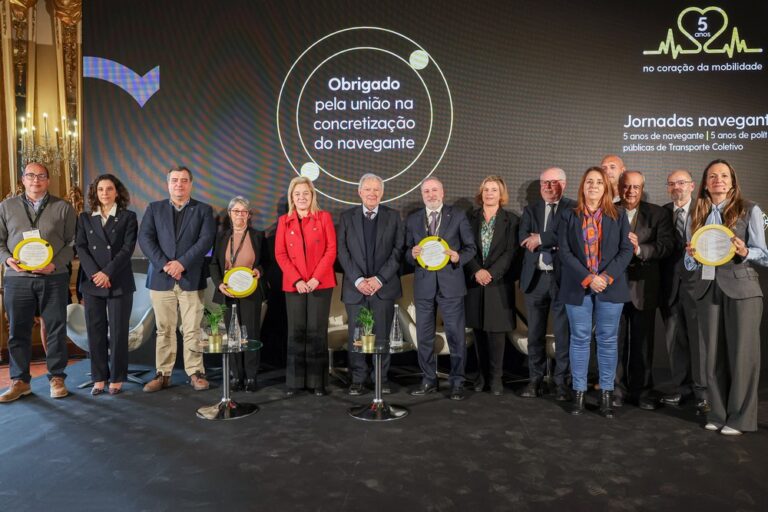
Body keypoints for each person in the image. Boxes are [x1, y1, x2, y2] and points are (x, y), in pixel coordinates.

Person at [686, 159, 767, 435]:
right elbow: (690, 262)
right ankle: (718, 413)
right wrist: (691, 256)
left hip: (742, 289)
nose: (718, 180)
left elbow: (764, 254)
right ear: (705, 183)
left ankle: (740, 418)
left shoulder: (749, 209)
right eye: (712, 176)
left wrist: (745, 252)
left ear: (732, 182)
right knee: (711, 356)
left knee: (742, 355)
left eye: (723, 175)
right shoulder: (697, 212)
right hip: (708, 288)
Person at [558, 167, 633, 418]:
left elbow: (626, 250)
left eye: (599, 182)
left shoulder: (619, 215)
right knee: (579, 340)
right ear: (582, 186)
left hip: (610, 287)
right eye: (589, 181)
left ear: (606, 188)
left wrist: (605, 278)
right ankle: (578, 393)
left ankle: (606, 395)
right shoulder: (569, 215)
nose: (593, 186)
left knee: (608, 341)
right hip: (577, 286)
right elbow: (565, 251)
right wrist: (588, 278)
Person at [0, 162, 76, 402]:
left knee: (55, 329)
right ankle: (20, 381)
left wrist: (55, 264)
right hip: (17, 279)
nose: (36, 180)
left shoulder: (63, 207)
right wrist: (6, 259)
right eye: (31, 175)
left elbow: (73, 243)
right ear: (23, 179)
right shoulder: (6, 207)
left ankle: (57, 378)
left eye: (41, 176)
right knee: (18, 331)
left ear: (48, 180)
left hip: (53, 278)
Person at [138, 166, 216, 392]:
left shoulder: (203, 210)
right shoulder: (154, 208)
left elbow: (206, 240)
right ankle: (163, 375)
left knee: (192, 329)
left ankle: (196, 373)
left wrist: (182, 263)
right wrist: (166, 264)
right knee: (164, 329)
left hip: (190, 277)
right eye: (174, 180)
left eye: (183, 180)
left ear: (191, 184)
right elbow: (145, 239)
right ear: (168, 184)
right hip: (161, 278)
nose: (179, 184)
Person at [406, 177, 476, 400]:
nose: (431, 194)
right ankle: (428, 380)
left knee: (456, 336)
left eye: (434, 190)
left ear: (443, 193)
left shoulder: (457, 215)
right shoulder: (413, 219)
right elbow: (406, 252)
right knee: (424, 336)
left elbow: (471, 248)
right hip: (424, 285)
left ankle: (457, 382)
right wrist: (411, 254)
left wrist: (458, 257)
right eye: (426, 191)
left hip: (451, 284)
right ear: (422, 195)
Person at [336, 174, 404, 396]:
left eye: (376, 190)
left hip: (383, 288)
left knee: (382, 336)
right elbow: (342, 252)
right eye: (368, 189)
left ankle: (380, 379)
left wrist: (379, 279)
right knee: (357, 336)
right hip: (355, 288)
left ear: (382, 193)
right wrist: (358, 280)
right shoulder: (347, 217)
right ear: (360, 192)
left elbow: (398, 251)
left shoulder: (393, 217)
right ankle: (357, 379)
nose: (372, 193)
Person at [614, 171, 674, 409]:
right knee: (614, 342)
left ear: (642, 189)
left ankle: (642, 391)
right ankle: (616, 390)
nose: (631, 191)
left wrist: (639, 249)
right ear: (619, 187)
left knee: (643, 343)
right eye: (626, 186)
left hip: (644, 287)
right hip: (613, 286)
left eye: (636, 187)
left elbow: (666, 246)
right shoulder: (608, 210)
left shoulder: (658, 214)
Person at [75, 174, 138, 395]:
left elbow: (127, 249)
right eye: (100, 189)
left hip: (118, 280)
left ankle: (117, 377)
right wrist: (96, 274)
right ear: (95, 192)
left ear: (117, 192)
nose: (105, 193)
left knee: (119, 332)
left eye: (109, 189)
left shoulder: (128, 217)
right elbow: (81, 247)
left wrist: (107, 272)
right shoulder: (84, 218)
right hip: (92, 281)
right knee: (95, 331)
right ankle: (99, 378)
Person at [275, 176, 337, 396]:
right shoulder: (284, 221)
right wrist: (298, 280)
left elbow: (331, 250)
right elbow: (280, 254)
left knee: (317, 332)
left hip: (320, 283)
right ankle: (295, 382)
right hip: (295, 286)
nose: (301, 197)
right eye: (297, 194)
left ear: (312, 196)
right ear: (292, 197)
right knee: (296, 332)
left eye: (305, 193)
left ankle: (318, 382)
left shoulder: (324, 217)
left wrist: (315, 278)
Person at [518, 167, 575, 401]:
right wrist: (554, 242)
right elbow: (524, 239)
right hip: (536, 279)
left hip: (563, 279)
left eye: (554, 182)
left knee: (563, 335)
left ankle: (562, 383)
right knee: (535, 334)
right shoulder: (530, 210)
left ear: (564, 184)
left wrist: (540, 238)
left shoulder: (573, 208)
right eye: (545, 183)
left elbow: (569, 236)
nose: (549, 187)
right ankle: (535, 380)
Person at [659, 170, 709, 413]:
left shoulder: (706, 210)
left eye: (681, 182)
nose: (676, 187)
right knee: (674, 340)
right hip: (669, 286)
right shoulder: (662, 213)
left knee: (700, 341)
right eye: (672, 183)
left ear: (692, 185)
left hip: (698, 285)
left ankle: (704, 393)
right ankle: (682, 389)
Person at [464, 176, 519, 396]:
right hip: (475, 282)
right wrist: (476, 270)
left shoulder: (511, 220)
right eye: (486, 189)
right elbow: (465, 247)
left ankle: (496, 378)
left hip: (498, 283)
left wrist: (491, 273)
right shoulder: (470, 218)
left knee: (496, 333)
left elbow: (511, 252)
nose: (489, 193)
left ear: (501, 194)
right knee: (478, 331)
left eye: (494, 190)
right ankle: (482, 375)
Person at [209, 196, 265, 392]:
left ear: (248, 215)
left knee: (250, 333)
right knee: (232, 334)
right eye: (236, 211)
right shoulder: (221, 237)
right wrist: (219, 284)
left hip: (251, 292)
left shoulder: (258, 236)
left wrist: (259, 270)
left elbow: (265, 262)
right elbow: (213, 264)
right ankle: (236, 376)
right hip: (228, 291)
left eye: (243, 211)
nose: (240, 215)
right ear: (230, 214)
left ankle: (251, 377)